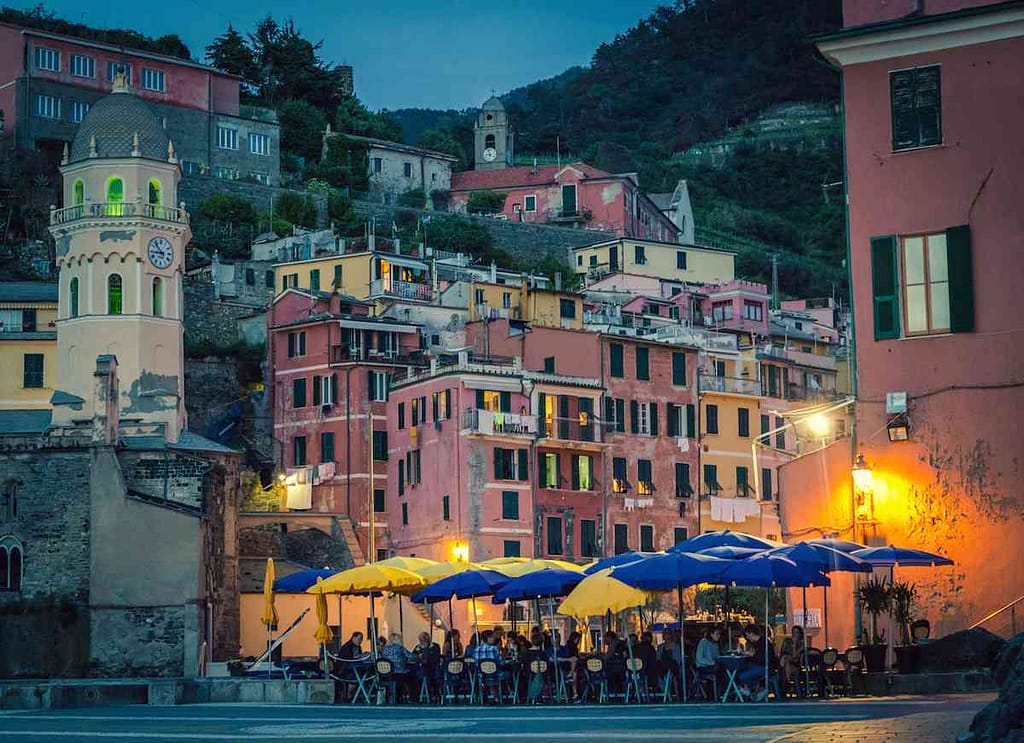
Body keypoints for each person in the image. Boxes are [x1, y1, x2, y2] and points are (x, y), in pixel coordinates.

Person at [738, 624, 778, 702]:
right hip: (765, 666)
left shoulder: (762, 643)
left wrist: (751, 657)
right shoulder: (761, 642)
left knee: (742, 676)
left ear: (752, 633)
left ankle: (752, 689)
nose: (747, 638)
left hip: (765, 667)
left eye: (747, 635)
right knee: (743, 672)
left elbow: (762, 659)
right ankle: (755, 689)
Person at [381, 633, 416, 702]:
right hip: (399, 672)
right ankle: (411, 696)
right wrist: (419, 656)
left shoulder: (384, 649)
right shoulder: (400, 648)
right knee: (412, 676)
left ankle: (393, 696)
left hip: (386, 673)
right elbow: (411, 656)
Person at [696, 627, 722, 700]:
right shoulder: (703, 642)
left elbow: (717, 657)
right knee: (719, 671)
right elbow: (699, 658)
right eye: (717, 634)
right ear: (711, 634)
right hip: (703, 667)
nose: (719, 636)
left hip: (713, 666)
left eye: (719, 634)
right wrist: (711, 662)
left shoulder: (715, 644)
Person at [779, 626, 804, 697]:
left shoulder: (802, 644)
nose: (794, 634)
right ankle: (788, 681)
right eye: (793, 632)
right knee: (786, 662)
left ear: (800, 634)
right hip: (788, 663)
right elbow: (783, 651)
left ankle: (788, 682)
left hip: (796, 663)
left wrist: (794, 646)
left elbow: (795, 656)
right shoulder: (787, 641)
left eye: (796, 632)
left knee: (785, 661)